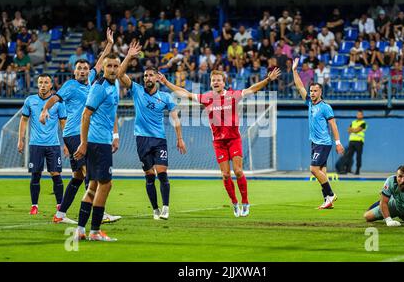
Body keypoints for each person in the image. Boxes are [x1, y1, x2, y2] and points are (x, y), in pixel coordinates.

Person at [158, 68, 281, 217]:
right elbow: (185, 93)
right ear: (210, 83)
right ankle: (235, 203)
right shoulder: (207, 97)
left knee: (238, 171)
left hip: (234, 139)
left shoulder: (233, 95)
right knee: (225, 175)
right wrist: (166, 82)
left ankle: (245, 201)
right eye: (213, 80)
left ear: (224, 83)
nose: (215, 82)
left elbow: (252, 89)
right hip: (219, 142)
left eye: (218, 80)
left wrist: (268, 80)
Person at [40, 29, 121, 225]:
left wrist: (109, 44)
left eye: (86, 68)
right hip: (75, 133)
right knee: (89, 174)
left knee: (77, 177)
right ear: (74, 71)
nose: (84, 71)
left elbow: (100, 62)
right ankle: (98, 213)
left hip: (82, 134)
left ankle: (60, 214)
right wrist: (44, 110)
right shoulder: (70, 85)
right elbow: (54, 98)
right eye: (80, 69)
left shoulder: (92, 82)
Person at [117, 42, 187, 220]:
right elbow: (119, 75)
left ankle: (165, 208)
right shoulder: (137, 90)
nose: (147, 78)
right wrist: (129, 56)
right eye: (146, 75)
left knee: (162, 173)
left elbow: (175, 118)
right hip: (141, 139)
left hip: (159, 139)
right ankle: (155, 209)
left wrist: (180, 138)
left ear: (157, 78)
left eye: (151, 75)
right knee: (149, 176)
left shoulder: (165, 97)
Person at [71, 53, 122, 242]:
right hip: (97, 143)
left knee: (92, 186)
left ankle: (81, 230)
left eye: (116, 66)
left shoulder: (114, 84)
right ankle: (95, 231)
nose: (113, 69)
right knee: (106, 184)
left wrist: (115, 136)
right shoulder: (99, 87)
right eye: (109, 66)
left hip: (103, 141)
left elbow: (111, 112)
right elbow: (85, 115)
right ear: (104, 67)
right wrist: (83, 143)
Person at [292, 58, 344, 209]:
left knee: (313, 169)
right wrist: (294, 70)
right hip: (315, 143)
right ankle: (327, 201)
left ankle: (331, 194)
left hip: (323, 143)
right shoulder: (309, 103)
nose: (312, 93)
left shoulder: (326, 107)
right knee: (322, 172)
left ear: (320, 92)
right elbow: (299, 86)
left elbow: (333, 125)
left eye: (315, 91)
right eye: (311, 91)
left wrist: (338, 143)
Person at [18, 74, 67, 215]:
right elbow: (24, 120)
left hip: (53, 145)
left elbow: (63, 123)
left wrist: (67, 143)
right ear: (37, 84)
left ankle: (59, 205)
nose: (43, 85)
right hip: (35, 144)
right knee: (35, 175)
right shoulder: (30, 100)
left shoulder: (58, 103)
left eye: (46, 82)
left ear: (51, 85)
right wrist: (20, 139)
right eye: (40, 82)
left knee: (55, 174)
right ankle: (34, 206)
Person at [345, 110, 367, 175]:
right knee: (349, 156)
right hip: (351, 141)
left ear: (362, 116)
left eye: (360, 114)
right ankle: (347, 169)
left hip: (359, 142)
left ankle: (357, 170)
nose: (358, 115)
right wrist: (353, 130)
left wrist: (353, 129)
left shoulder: (363, 123)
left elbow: (357, 130)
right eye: (357, 114)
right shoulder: (353, 122)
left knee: (358, 156)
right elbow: (348, 130)